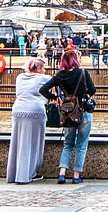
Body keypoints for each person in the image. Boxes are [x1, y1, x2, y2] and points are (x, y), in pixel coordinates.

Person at [40, 49, 96, 184]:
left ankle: (62, 173)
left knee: (68, 144)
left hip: (67, 114)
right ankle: (76, 175)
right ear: (75, 60)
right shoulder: (82, 73)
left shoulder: (59, 76)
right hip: (83, 112)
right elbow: (93, 90)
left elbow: (42, 90)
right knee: (81, 145)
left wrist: (56, 98)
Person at [6, 56, 50, 184]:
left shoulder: (20, 77)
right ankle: (28, 173)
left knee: (17, 142)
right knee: (34, 143)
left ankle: (14, 174)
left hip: (18, 110)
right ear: (38, 69)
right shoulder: (43, 78)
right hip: (35, 111)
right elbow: (55, 82)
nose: (45, 70)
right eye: (44, 68)